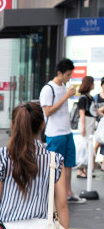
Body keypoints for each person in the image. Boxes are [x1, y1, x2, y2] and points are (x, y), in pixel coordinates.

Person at [39, 58, 84, 204]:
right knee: (54, 166)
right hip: (54, 133)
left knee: (69, 164)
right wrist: (65, 97)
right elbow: (48, 111)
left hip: (67, 131)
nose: (69, 78)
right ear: (59, 73)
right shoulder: (48, 89)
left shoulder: (64, 86)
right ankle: (52, 195)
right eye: (67, 75)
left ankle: (67, 193)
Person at [76, 75, 104, 178]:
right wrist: (83, 127)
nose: (94, 85)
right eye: (92, 83)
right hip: (86, 125)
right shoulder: (83, 98)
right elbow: (82, 113)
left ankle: (84, 169)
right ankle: (80, 169)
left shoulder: (89, 97)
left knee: (88, 147)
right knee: (84, 147)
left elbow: (95, 111)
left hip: (90, 125)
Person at [94, 76, 104, 171]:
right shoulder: (96, 97)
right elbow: (94, 111)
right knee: (96, 145)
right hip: (99, 125)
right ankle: (91, 166)